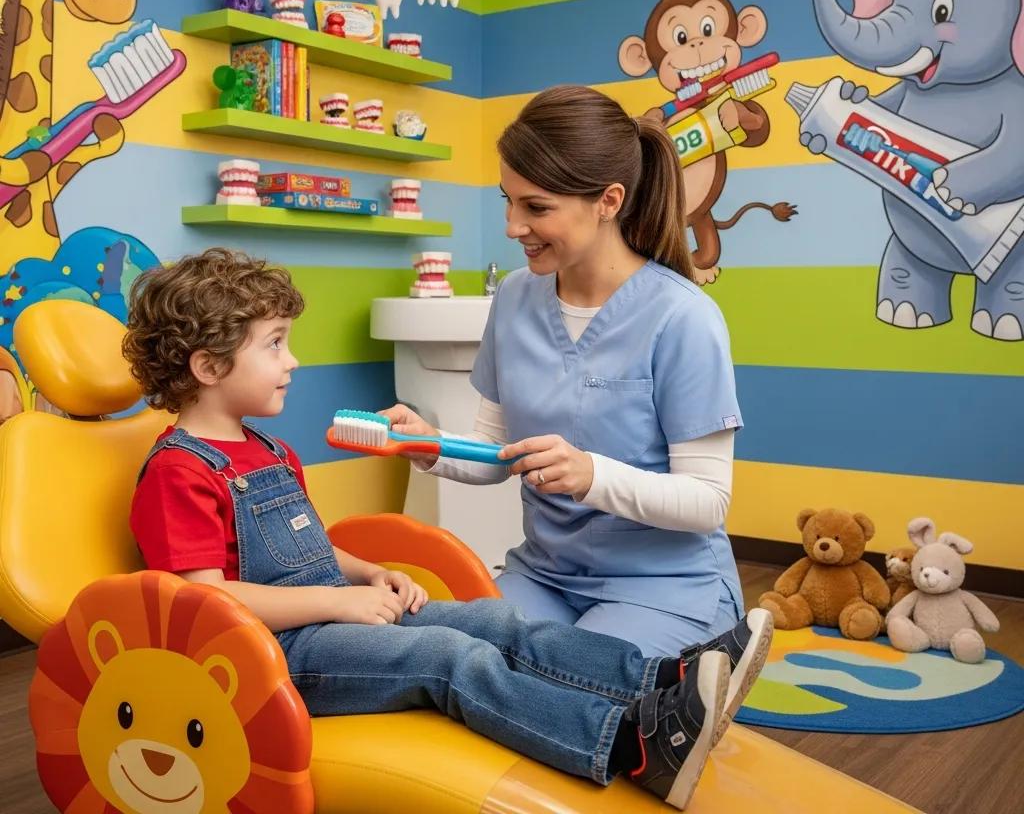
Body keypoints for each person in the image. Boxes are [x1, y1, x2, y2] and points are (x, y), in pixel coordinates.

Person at [123, 247, 766, 810]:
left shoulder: (266, 450)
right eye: (274, 344)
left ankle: (666, 685)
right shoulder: (179, 471)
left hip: (333, 618)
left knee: (497, 622)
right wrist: (338, 601)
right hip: (272, 657)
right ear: (208, 368)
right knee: (451, 659)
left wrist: (365, 573)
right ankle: (629, 747)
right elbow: (204, 601)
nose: (293, 360)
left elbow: (307, 549)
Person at [384, 84, 768, 715]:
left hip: (664, 586)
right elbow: (492, 455)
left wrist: (592, 476)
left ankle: (700, 663)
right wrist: (423, 443)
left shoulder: (683, 318)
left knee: (553, 687)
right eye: (508, 202)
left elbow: (707, 502)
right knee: (445, 655)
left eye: (535, 207)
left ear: (608, 202)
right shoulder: (514, 298)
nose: (513, 228)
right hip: (545, 576)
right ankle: (653, 695)